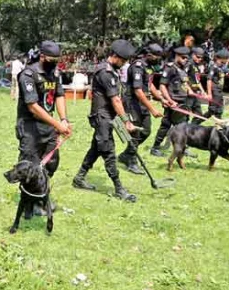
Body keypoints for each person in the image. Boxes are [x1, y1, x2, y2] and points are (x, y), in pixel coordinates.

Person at [72, 40, 138, 202]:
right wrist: (126, 121)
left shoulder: (113, 71)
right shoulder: (106, 73)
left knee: (96, 148)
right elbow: (115, 100)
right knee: (108, 151)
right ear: (114, 56)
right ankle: (119, 188)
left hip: (108, 116)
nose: (124, 64)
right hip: (102, 117)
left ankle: (79, 178)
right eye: (122, 60)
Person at [15, 42, 71, 215]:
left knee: (51, 163)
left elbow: (59, 96)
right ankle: (29, 205)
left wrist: (64, 120)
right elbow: (33, 106)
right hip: (30, 126)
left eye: (57, 59)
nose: (55, 62)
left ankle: (40, 194)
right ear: (42, 56)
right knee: (29, 165)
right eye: (51, 59)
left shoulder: (54, 73)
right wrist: (58, 125)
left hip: (49, 125)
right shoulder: (28, 74)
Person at [117, 44, 165, 174]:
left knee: (146, 131)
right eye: (157, 56)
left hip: (142, 104)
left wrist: (162, 99)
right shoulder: (137, 66)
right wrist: (153, 109)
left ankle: (126, 155)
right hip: (132, 104)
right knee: (135, 134)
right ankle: (132, 162)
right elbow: (138, 91)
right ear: (149, 54)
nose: (158, 59)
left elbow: (149, 86)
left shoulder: (148, 67)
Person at [150, 47, 192, 157]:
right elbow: (162, 86)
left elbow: (184, 84)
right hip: (173, 102)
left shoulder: (183, 69)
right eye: (183, 58)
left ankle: (182, 148)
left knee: (182, 125)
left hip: (183, 102)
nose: (185, 60)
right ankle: (155, 147)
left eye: (187, 58)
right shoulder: (170, 68)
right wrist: (169, 100)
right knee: (166, 125)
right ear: (177, 56)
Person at [205, 49, 229, 119]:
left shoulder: (221, 68)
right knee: (212, 111)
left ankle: (219, 128)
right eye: (227, 58)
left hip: (219, 91)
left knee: (219, 111)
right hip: (214, 91)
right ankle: (196, 122)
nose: (227, 60)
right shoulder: (213, 67)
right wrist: (209, 94)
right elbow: (209, 80)